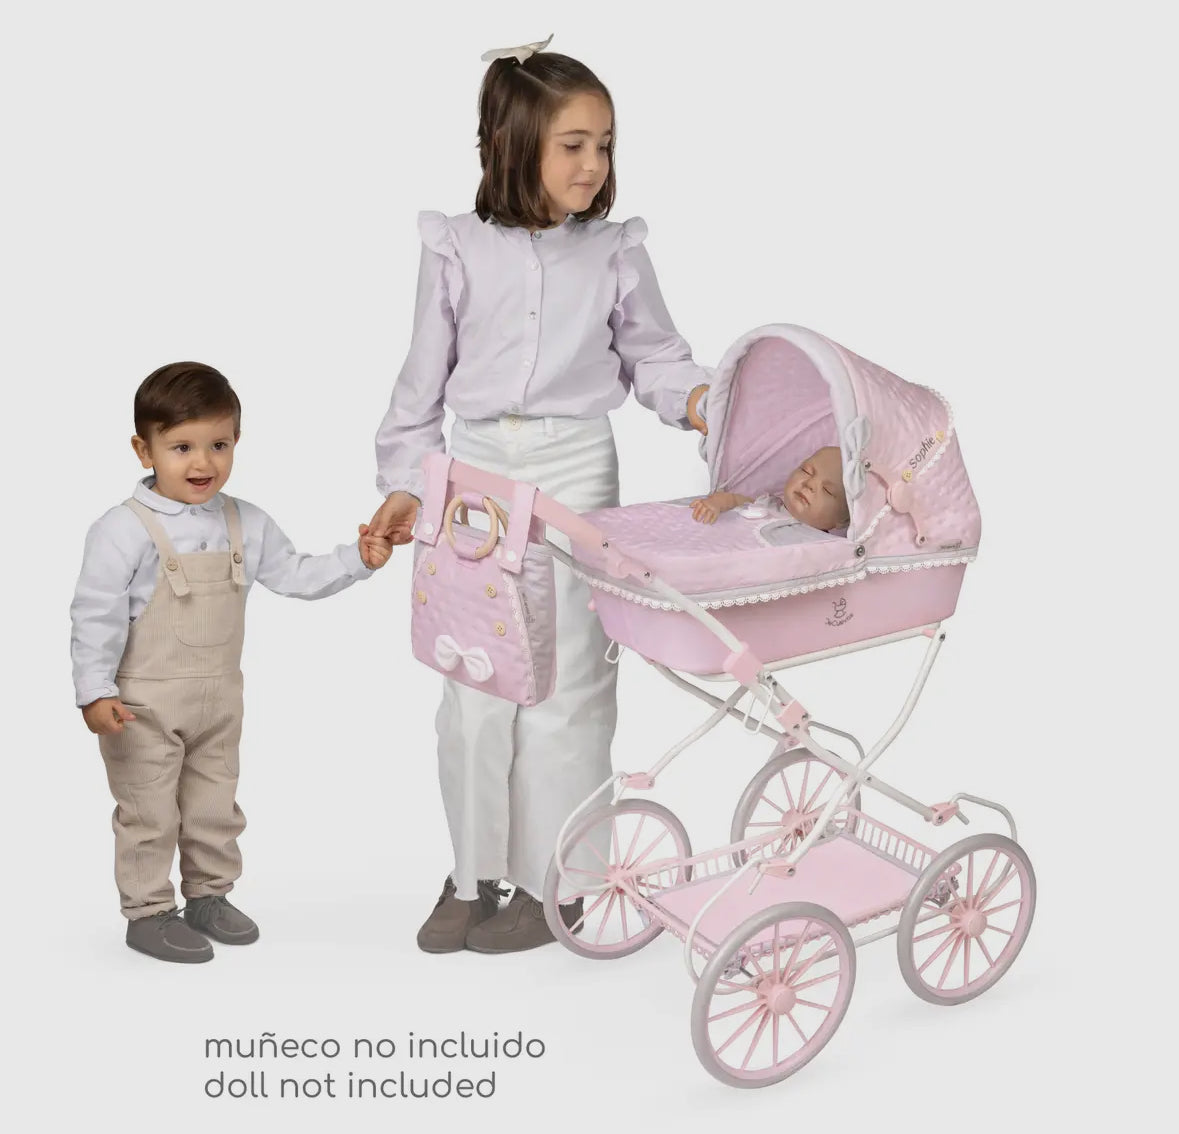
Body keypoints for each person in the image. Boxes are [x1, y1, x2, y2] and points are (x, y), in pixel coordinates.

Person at [368, 35, 710, 954]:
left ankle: (558, 881)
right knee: (472, 680)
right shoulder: (455, 249)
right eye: (572, 144)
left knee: (567, 681)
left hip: (574, 472)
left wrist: (700, 400)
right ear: (512, 143)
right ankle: (473, 874)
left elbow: (655, 357)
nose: (593, 164)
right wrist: (405, 487)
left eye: (604, 144)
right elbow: (419, 387)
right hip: (473, 477)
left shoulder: (613, 254)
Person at [71, 362, 393, 963]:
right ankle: (148, 911)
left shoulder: (245, 521)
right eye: (182, 447)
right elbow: (95, 614)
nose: (203, 463)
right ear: (144, 449)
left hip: (219, 700)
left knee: (214, 804)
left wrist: (358, 559)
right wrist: (94, 691)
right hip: (140, 705)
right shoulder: (121, 529)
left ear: (237, 440)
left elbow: (296, 575)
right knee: (148, 810)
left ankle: (209, 896)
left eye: (219, 445)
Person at [691, 446, 850, 532]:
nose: (810, 484)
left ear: (842, 521)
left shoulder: (830, 551)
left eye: (827, 490)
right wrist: (716, 503)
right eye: (806, 471)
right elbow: (735, 500)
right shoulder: (769, 505)